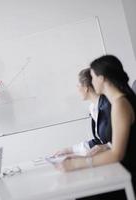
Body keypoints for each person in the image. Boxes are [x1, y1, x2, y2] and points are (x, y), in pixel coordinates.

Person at [55, 55, 136, 199]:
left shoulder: (120, 104)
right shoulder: (120, 101)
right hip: (121, 169)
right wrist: (106, 146)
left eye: (92, 77)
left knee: (82, 193)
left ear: (102, 78)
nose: (91, 82)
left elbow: (118, 154)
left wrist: (76, 164)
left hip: (128, 174)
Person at [55, 68, 111, 157]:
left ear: (86, 88)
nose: (77, 89)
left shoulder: (108, 106)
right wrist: (70, 150)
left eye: (78, 85)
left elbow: (111, 142)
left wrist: (108, 146)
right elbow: (100, 141)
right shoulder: (94, 107)